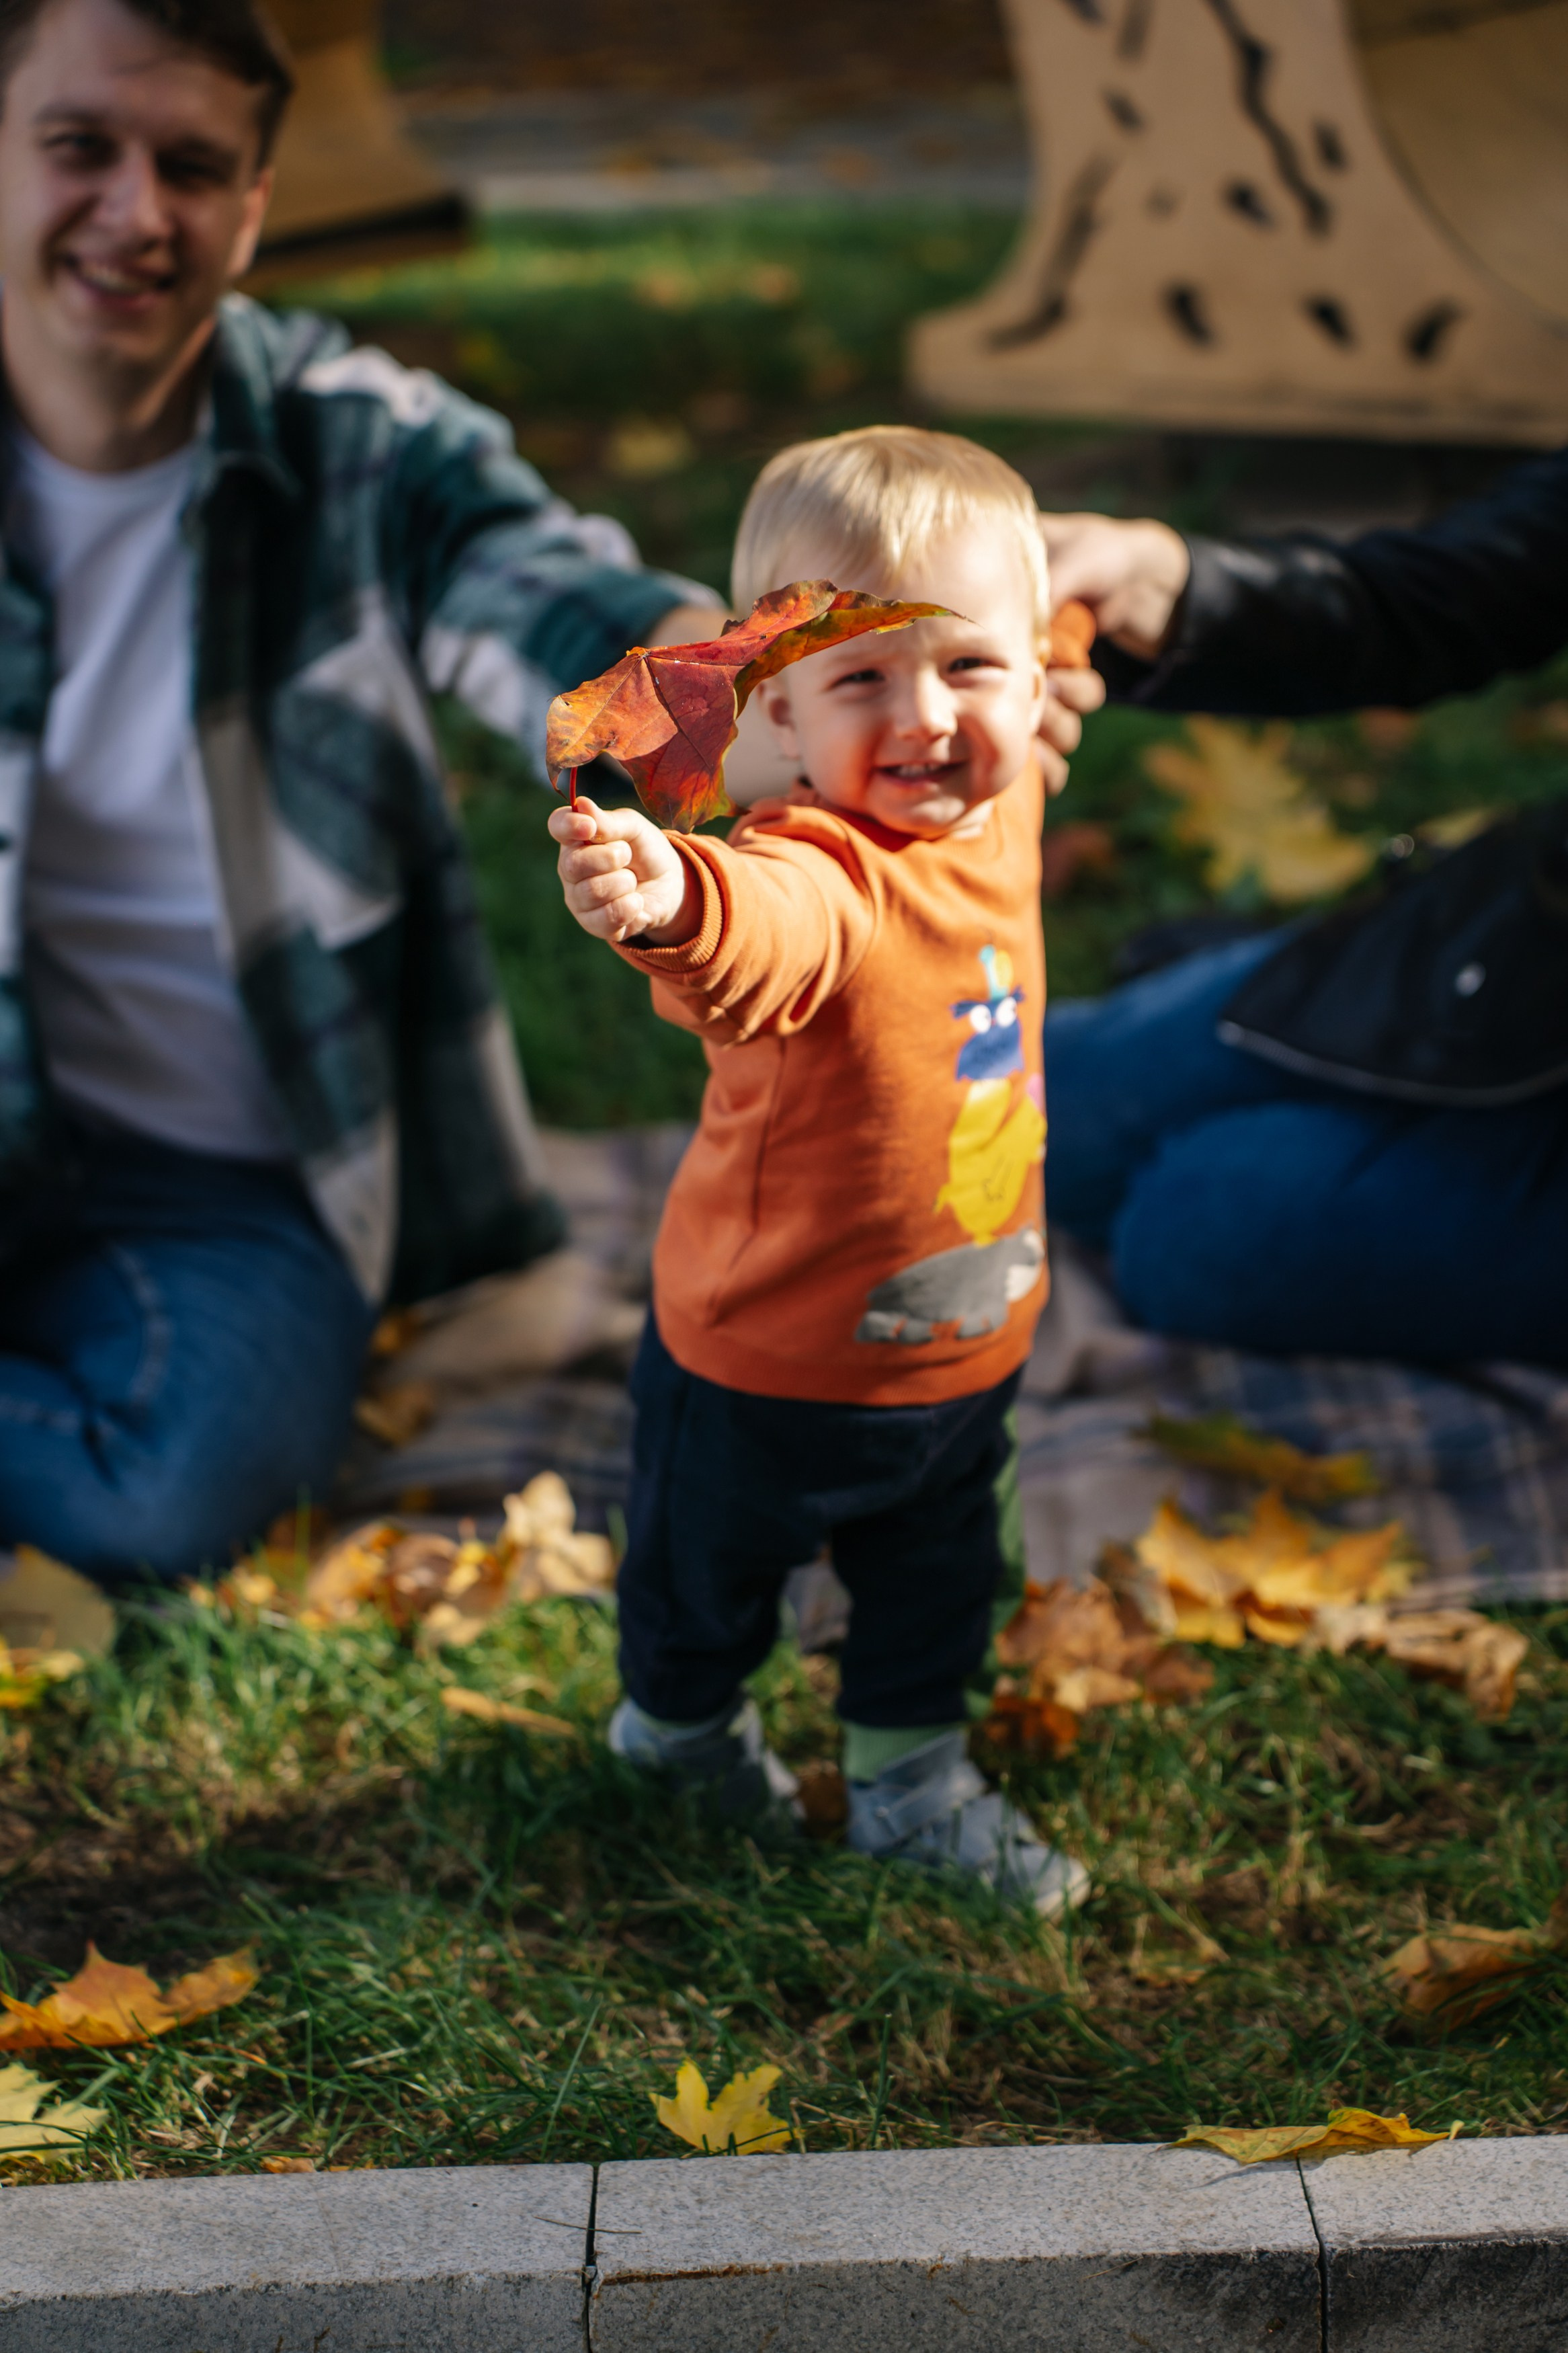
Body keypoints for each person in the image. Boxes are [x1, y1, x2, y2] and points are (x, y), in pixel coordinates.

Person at [0, 0, 722, 1585]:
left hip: (227, 1185)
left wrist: (781, 685)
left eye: (192, 167)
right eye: (79, 149)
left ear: (251, 208)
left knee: (160, 1503)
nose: (136, 211)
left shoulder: (357, 447)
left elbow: (542, 593)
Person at [550, 424, 1089, 1919]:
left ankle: (912, 1782)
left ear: (1036, 676)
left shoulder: (1008, 791)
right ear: (778, 716)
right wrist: (673, 893)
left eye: (968, 669)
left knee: (939, 1587)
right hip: (767, 1356)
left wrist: (1076, 614)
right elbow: (754, 930)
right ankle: (680, 1734)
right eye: (862, 679)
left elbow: (1054, 646)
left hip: (964, 1338)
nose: (923, 718)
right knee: (704, 1584)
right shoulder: (821, 868)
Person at [1036, 461, 1568, 1370]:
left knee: (1194, 1229)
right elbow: (1453, 588)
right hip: (1516, 953)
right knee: (1040, 1109)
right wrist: (1164, 581)